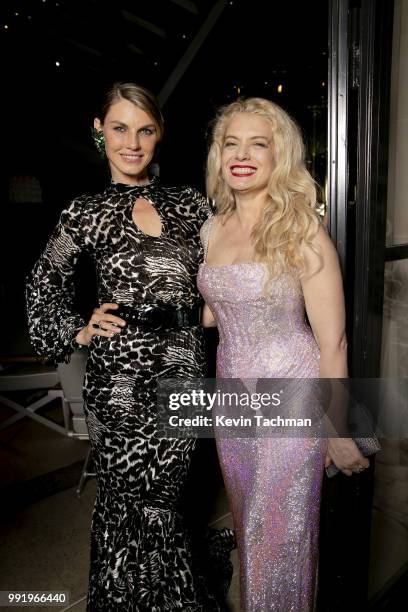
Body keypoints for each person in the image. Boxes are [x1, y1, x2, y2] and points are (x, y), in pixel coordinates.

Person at [26, 82, 234, 611]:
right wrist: (77, 327)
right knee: (127, 499)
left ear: (159, 134)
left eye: (144, 129)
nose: (132, 143)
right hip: (117, 377)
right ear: (100, 132)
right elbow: (42, 284)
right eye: (120, 128)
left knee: (165, 500)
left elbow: (233, 265)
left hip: (184, 367)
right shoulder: (84, 212)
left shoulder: (192, 204)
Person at [197, 97, 369, 611]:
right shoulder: (211, 228)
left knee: (280, 537)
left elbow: (332, 341)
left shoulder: (303, 232)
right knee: (249, 527)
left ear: (279, 157)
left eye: (258, 143)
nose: (242, 154)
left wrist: (337, 430)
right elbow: (214, 313)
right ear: (219, 155)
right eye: (232, 143)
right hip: (232, 401)